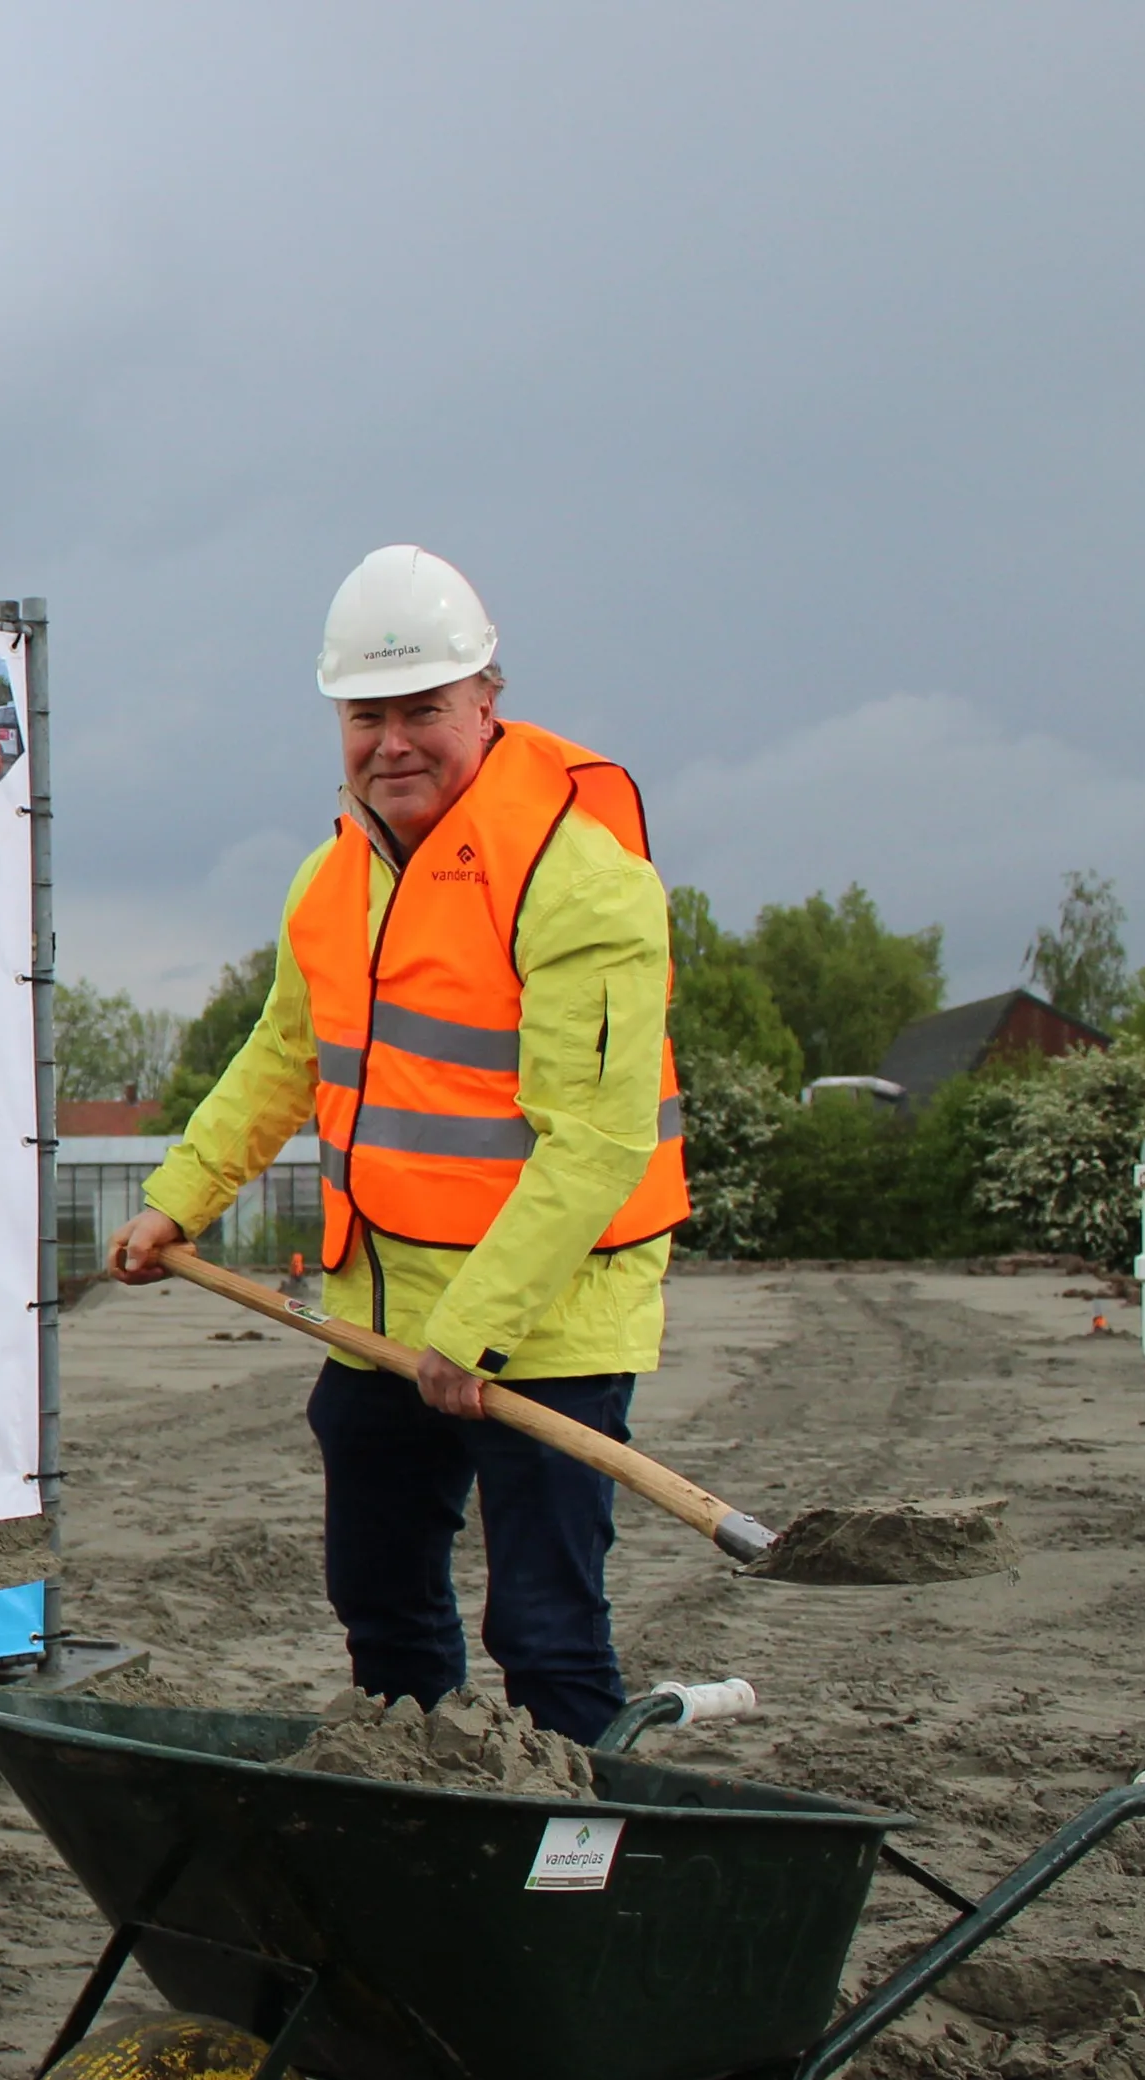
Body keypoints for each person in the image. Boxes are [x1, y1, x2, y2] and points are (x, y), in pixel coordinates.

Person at [106, 545, 686, 1741]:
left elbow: (596, 1142)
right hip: (382, 1310)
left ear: (486, 701)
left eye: (423, 710)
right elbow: (281, 1058)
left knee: (543, 1625)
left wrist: (474, 1330)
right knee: (374, 1595)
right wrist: (177, 1201)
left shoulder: (583, 881)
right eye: (367, 716)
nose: (394, 743)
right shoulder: (332, 877)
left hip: (550, 1316)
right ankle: (423, 1791)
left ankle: (582, 1864)